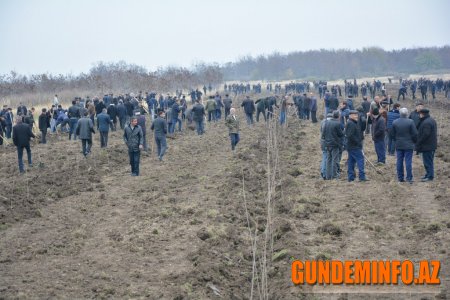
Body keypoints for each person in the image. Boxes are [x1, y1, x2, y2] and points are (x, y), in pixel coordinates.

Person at [392, 108, 417, 183]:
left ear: (400, 113)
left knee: (399, 161)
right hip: (409, 145)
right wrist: (414, 141)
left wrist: (396, 140)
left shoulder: (395, 122)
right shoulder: (411, 122)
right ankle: (409, 178)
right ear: (407, 114)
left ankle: (400, 178)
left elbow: (392, 134)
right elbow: (415, 133)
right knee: (408, 161)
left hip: (399, 144)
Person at [416, 108, 437, 182]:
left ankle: (430, 176)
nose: (419, 115)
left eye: (419, 114)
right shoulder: (431, 120)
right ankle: (428, 174)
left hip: (427, 146)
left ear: (422, 114)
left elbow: (425, 134)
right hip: (430, 145)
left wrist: (419, 142)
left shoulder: (426, 122)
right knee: (429, 161)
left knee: (428, 162)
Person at [345, 110, 367, 182]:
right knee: (360, 160)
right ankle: (362, 177)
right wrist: (358, 142)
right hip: (355, 146)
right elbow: (350, 135)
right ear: (350, 116)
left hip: (351, 146)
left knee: (351, 161)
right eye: (354, 115)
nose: (356, 116)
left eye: (357, 115)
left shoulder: (352, 122)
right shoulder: (351, 123)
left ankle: (351, 178)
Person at [323, 110, 344, 180]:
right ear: (338, 116)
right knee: (335, 160)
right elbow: (341, 134)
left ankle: (328, 176)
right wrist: (344, 131)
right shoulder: (337, 124)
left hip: (327, 144)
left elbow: (323, 134)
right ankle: (334, 176)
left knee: (328, 160)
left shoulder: (326, 123)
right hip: (335, 145)